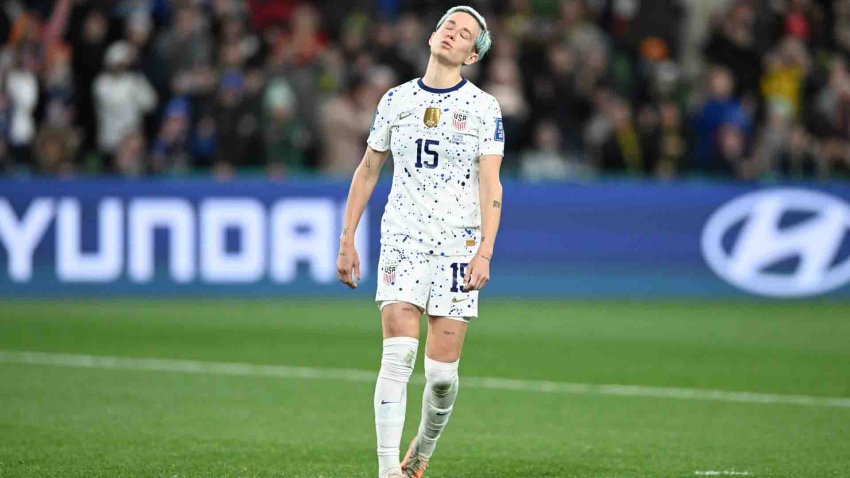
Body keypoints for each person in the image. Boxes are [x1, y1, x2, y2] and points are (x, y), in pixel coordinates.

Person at [336, 6, 504, 478]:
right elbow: (368, 169)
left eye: (465, 33)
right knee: (398, 354)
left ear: (471, 55)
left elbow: (491, 185)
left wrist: (484, 250)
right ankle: (389, 471)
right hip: (403, 238)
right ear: (433, 35)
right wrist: (347, 237)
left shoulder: (483, 108)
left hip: (457, 245)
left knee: (441, 378)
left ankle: (422, 450)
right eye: (448, 25)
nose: (453, 33)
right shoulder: (395, 100)